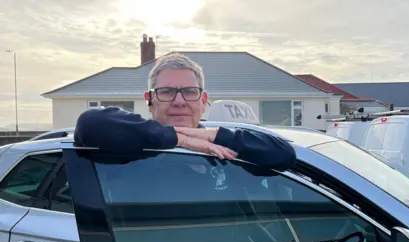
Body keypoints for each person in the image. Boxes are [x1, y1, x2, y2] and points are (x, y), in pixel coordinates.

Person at [74, 53, 296, 171]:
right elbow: (89, 125)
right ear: (149, 100)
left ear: (203, 101)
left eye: (190, 91)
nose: (179, 101)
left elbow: (285, 155)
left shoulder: (224, 145)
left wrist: (211, 135)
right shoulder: (130, 144)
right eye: (167, 91)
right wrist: (179, 140)